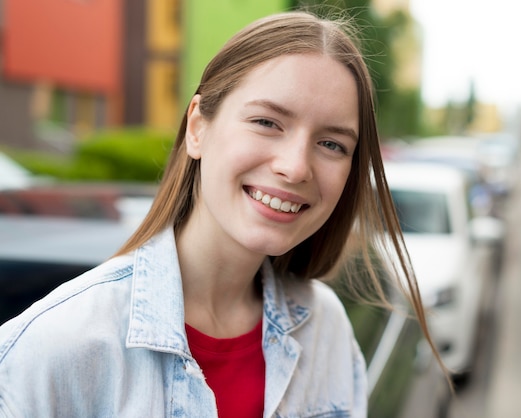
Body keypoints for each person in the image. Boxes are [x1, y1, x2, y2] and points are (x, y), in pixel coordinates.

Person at [0, 11, 444, 417]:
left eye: (332, 144)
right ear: (197, 127)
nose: (295, 166)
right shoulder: (56, 348)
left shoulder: (324, 328)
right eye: (267, 122)